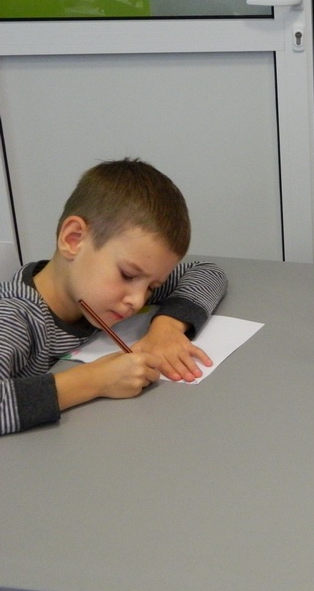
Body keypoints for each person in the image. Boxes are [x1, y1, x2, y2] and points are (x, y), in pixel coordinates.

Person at [0, 158, 228, 436]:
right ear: (74, 240)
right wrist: (95, 380)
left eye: (152, 288)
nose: (138, 300)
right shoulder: (13, 319)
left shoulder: (102, 295)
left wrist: (166, 327)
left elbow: (206, 273)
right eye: (128, 275)